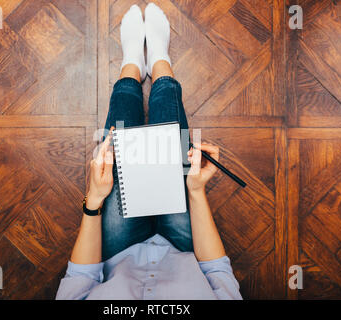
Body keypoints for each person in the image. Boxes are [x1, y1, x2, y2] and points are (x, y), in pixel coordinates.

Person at [56, 3, 242, 300]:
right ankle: (160, 63)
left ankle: (131, 65)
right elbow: (216, 272)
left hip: (118, 252)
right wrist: (195, 192)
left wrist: (93, 200)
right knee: (169, 138)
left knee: (117, 140)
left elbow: (82, 277)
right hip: (187, 250)